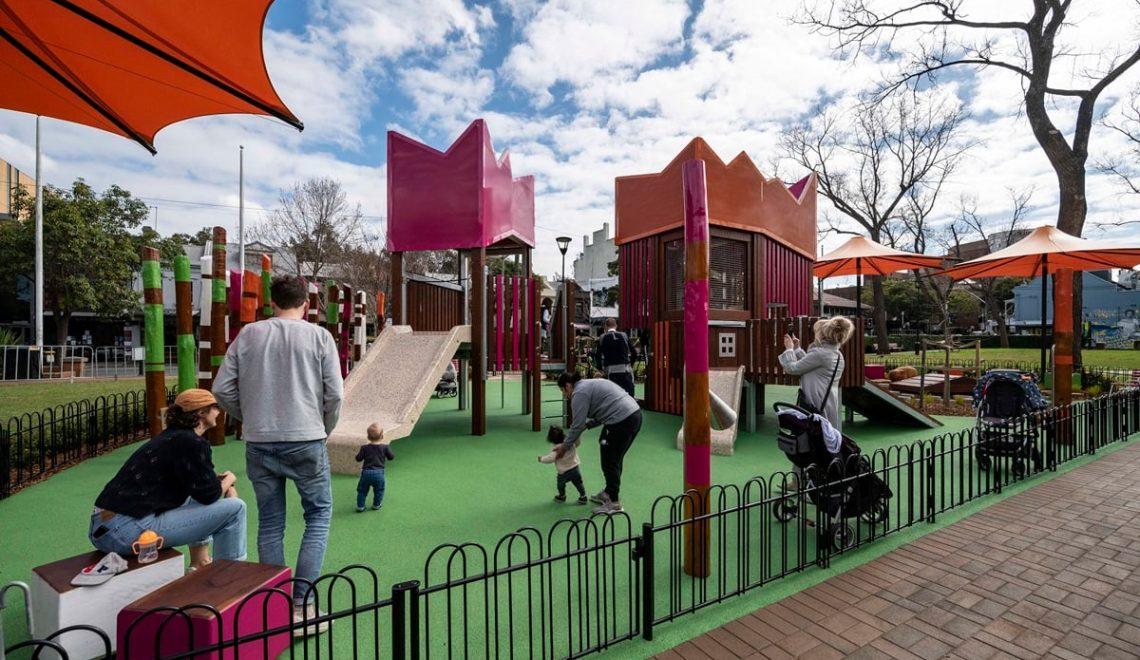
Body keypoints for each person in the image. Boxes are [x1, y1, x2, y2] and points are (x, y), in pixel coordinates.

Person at [213, 275, 343, 634]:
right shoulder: (318, 337)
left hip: (260, 440)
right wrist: (323, 426)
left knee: (270, 522)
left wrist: (249, 416)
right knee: (317, 515)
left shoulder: (249, 335)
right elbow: (335, 394)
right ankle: (304, 604)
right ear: (306, 304)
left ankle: (276, 606)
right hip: (307, 436)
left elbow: (221, 389)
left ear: (272, 303)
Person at [89, 389, 245, 571]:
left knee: (192, 494)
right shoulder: (192, 442)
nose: (219, 412)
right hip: (126, 531)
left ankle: (199, 563)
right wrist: (230, 481)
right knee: (236, 509)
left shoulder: (170, 437)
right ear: (201, 412)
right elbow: (210, 495)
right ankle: (230, 579)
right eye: (215, 407)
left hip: (103, 527)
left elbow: (201, 490)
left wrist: (215, 483)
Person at [556, 372, 642, 514]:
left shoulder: (579, 393)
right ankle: (609, 492)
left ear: (567, 386)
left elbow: (576, 425)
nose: (565, 396)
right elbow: (604, 410)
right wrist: (588, 425)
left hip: (622, 420)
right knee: (610, 452)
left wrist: (564, 447)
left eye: (563, 392)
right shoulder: (588, 384)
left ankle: (614, 503)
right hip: (634, 415)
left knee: (610, 460)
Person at [778, 316, 855, 432]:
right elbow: (812, 366)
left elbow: (792, 368)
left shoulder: (820, 354)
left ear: (823, 335)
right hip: (828, 402)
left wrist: (789, 349)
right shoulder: (836, 354)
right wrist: (797, 349)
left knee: (812, 437)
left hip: (815, 402)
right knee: (824, 436)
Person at [539, 426, 587, 504]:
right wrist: (578, 435)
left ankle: (562, 496)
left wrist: (541, 459)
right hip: (575, 468)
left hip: (564, 472)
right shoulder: (570, 443)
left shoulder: (556, 449)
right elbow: (577, 443)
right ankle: (583, 496)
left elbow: (550, 458)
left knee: (560, 485)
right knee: (578, 483)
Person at [355, 423, 394, 512]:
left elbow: (358, 459)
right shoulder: (385, 447)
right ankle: (376, 505)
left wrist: (357, 455)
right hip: (379, 473)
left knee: (362, 490)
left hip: (366, 473)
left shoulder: (364, 448)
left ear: (368, 436)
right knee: (379, 490)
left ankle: (360, 506)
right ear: (382, 436)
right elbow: (391, 457)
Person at [597, 318, 635, 397]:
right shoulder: (624, 335)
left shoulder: (602, 337)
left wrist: (600, 369)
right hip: (625, 370)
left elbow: (597, 355)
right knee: (629, 395)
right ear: (616, 326)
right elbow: (634, 352)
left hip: (610, 371)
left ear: (605, 326)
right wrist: (631, 364)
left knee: (612, 395)